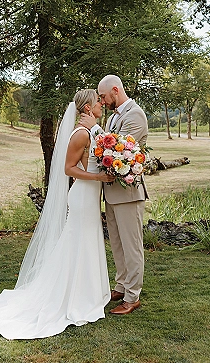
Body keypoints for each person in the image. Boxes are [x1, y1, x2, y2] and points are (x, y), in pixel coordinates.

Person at [0, 89, 115, 339]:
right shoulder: (80, 134)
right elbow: (69, 169)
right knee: (77, 242)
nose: (102, 104)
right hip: (82, 196)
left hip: (91, 197)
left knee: (88, 242)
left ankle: (89, 293)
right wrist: (98, 177)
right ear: (88, 108)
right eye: (98, 102)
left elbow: (102, 151)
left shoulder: (92, 131)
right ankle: (73, 297)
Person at [79, 75, 148, 315]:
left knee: (132, 247)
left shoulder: (135, 115)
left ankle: (132, 296)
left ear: (115, 91)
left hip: (129, 194)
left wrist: (94, 128)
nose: (102, 101)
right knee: (117, 244)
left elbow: (118, 146)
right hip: (111, 192)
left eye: (104, 96)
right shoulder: (113, 117)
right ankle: (121, 285)